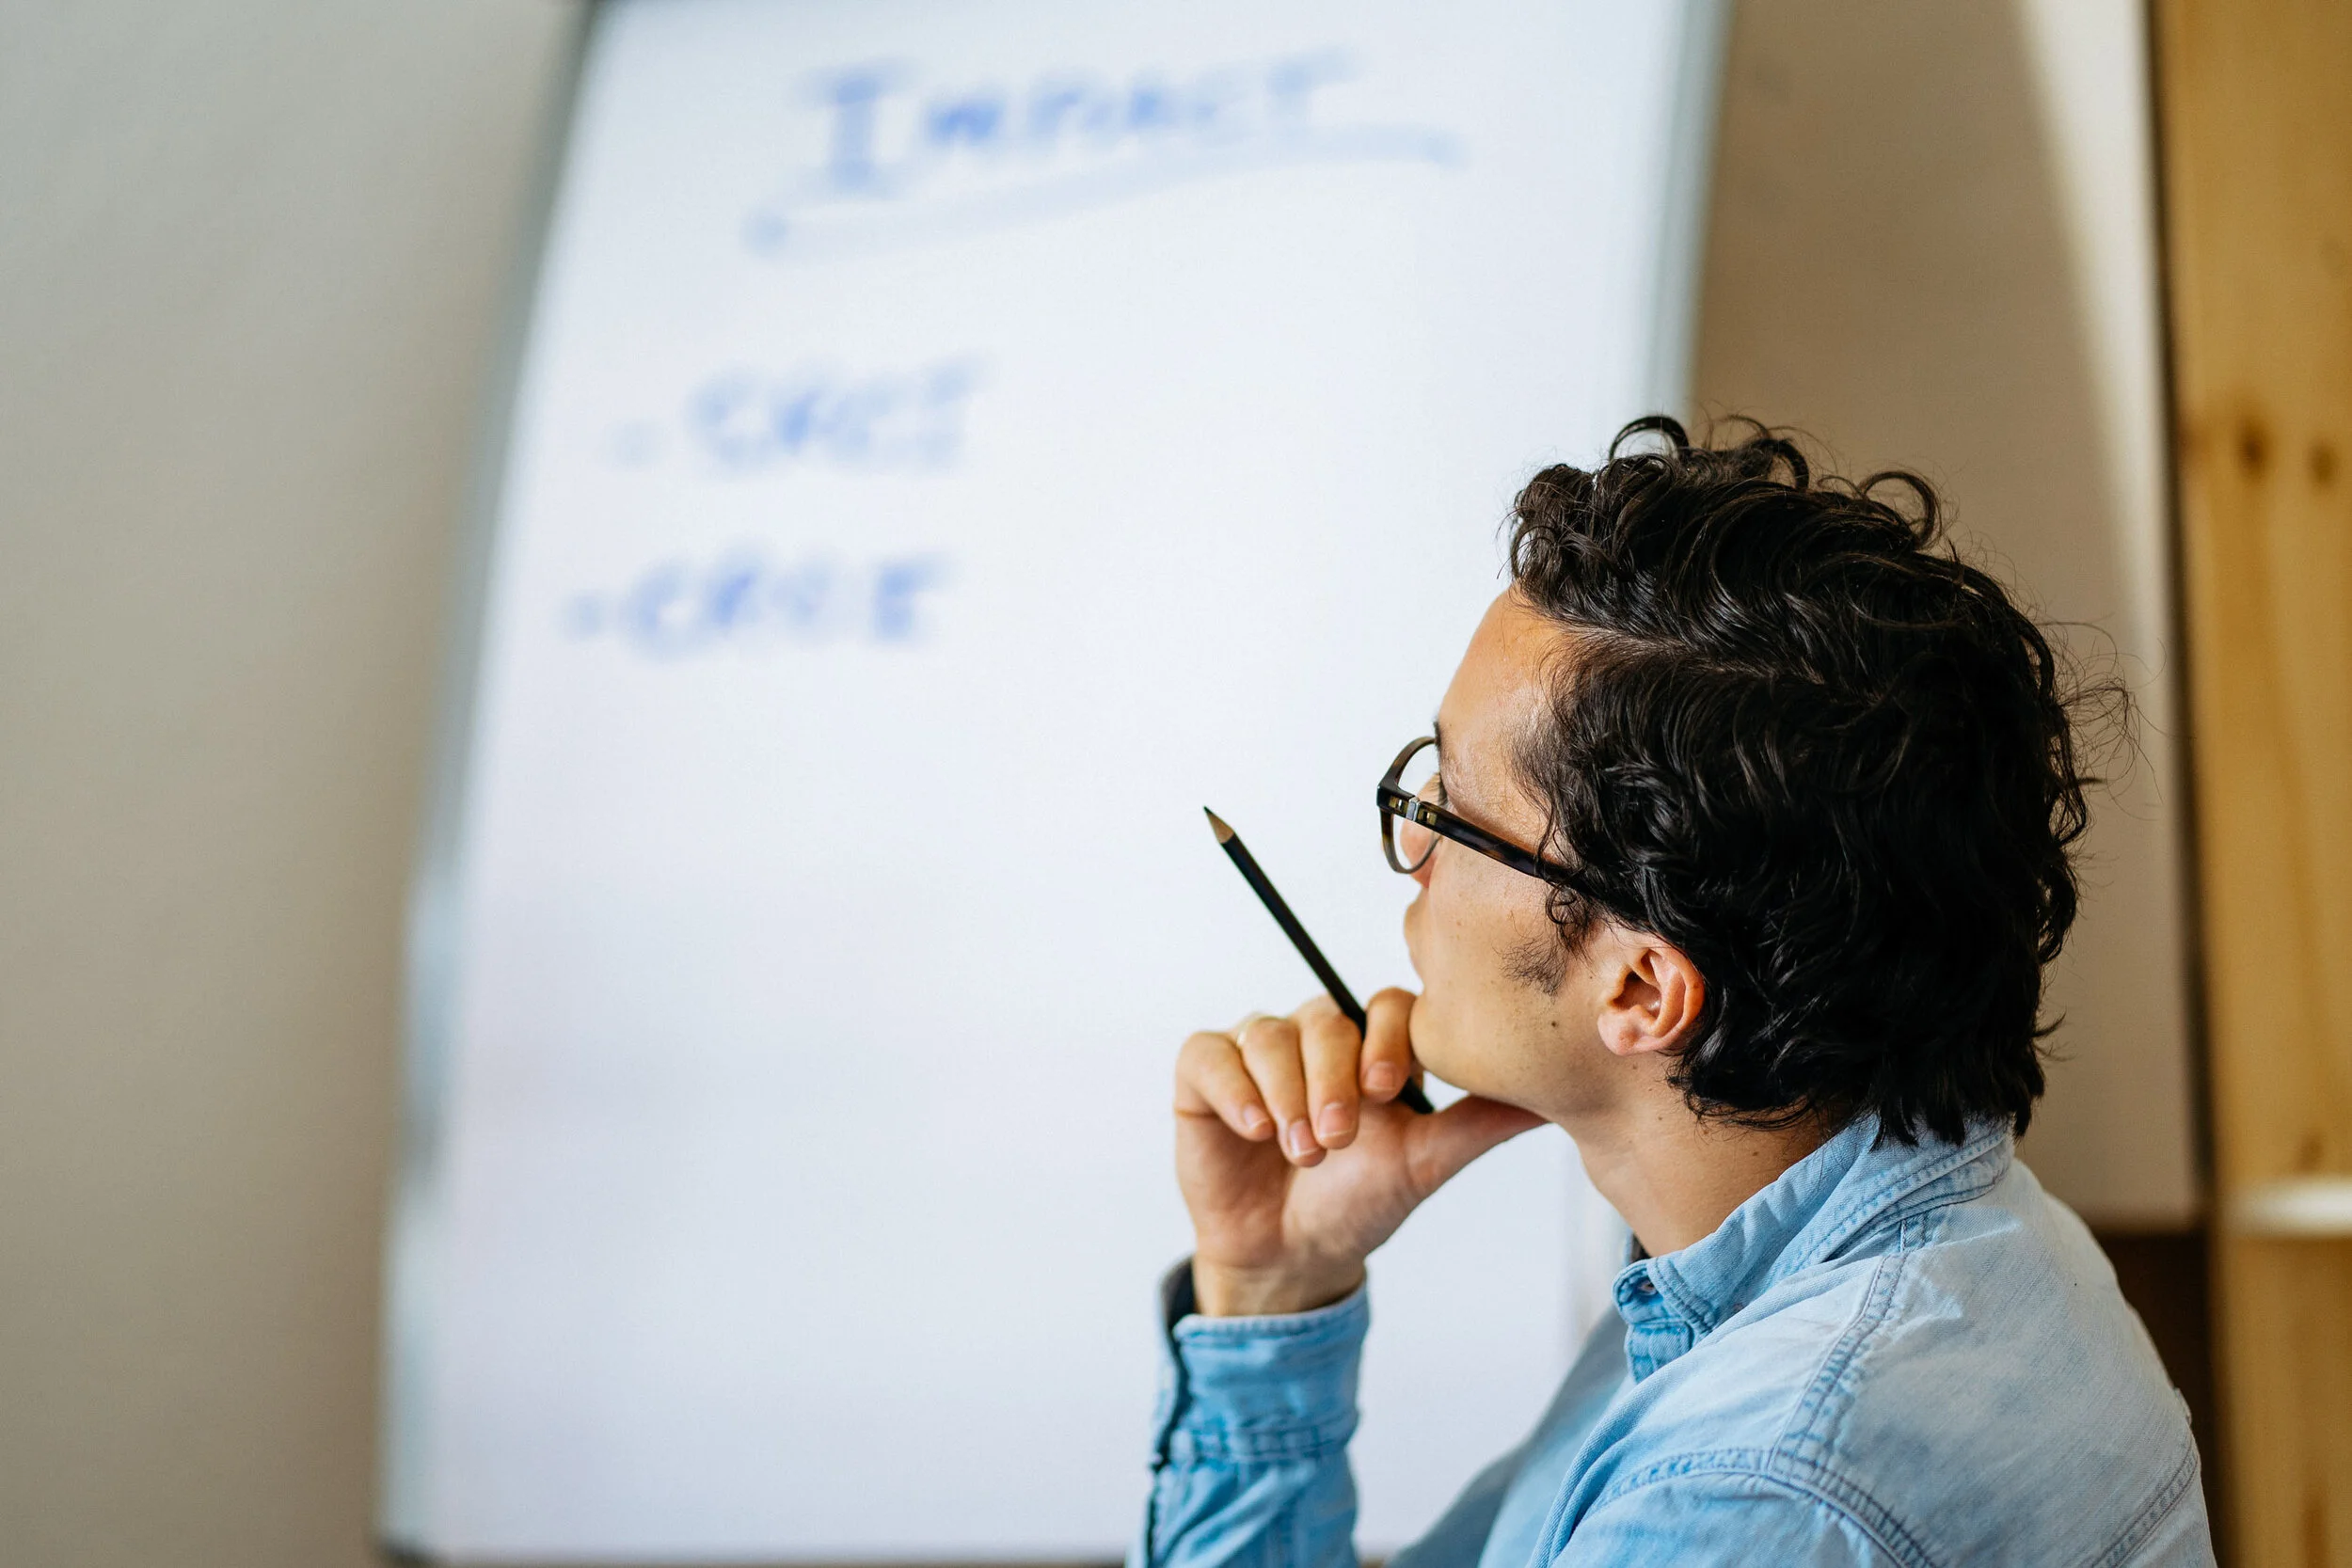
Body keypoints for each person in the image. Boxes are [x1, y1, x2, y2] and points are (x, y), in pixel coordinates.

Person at [1138, 419, 2214, 1566]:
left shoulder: (1760, 1488)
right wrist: (1272, 1285)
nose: (1413, 858)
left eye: (1450, 808)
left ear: (1644, 987)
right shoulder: (1904, 1251)